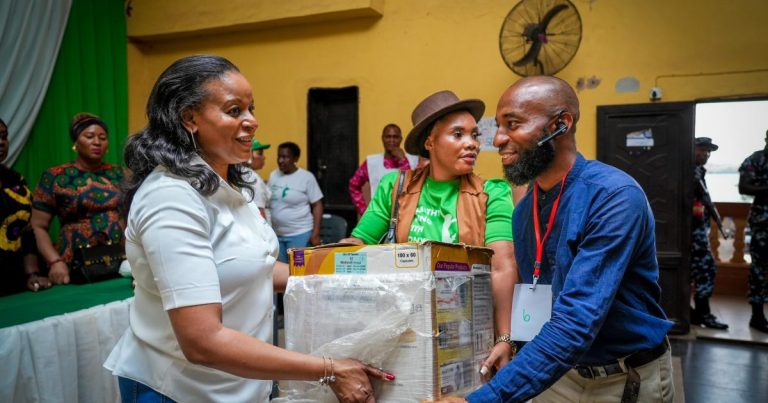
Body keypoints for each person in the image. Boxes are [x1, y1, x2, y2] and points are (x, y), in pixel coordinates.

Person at [104, 55, 391, 402]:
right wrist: (328, 368)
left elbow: (258, 268)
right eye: (234, 110)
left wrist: (348, 266)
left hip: (235, 385)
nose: (252, 121)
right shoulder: (172, 197)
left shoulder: (232, 185)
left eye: (251, 108)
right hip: (177, 388)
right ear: (189, 118)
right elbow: (202, 341)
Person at [440, 76, 674, 402]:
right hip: (558, 374)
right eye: (497, 126)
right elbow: (534, 294)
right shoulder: (524, 213)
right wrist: (509, 341)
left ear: (560, 124)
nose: (498, 139)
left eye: (513, 124)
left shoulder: (614, 197)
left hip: (622, 378)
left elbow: (576, 322)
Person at [342, 90, 519, 373]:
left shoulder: (491, 193)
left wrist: (504, 337)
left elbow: (501, 266)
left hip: (467, 333)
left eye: (474, 135)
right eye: (458, 134)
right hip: (404, 331)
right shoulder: (395, 187)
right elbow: (360, 240)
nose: (471, 144)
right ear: (430, 142)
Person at [30, 113, 125, 285]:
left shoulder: (120, 174)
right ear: (76, 143)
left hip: (119, 260)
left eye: (102, 138)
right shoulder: (55, 176)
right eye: (89, 136)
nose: (97, 142)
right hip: (74, 265)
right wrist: (55, 262)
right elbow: (38, 226)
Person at [0, 117, 51, 295]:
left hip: (14, 277)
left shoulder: (15, 180)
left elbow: (27, 231)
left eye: (3, 136)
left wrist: (32, 274)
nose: (1, 142)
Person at [690, 137, 728, 329]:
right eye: (702, 150)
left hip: (695, 230)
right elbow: (703, 196)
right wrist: (717, 218)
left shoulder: (698, 170)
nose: (706, 154)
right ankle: (702, 314)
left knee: (694, 271)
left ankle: (694, 313)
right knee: (706, 269)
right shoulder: (689, 169)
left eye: (708, 152)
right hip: (690, 233)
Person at [268, 141, 323, 263]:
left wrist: (315, 233)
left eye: (285, 157)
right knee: (281, 271)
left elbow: (317, 205)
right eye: (279, 156)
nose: (281, 160)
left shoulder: (306, 177)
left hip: (300, 233)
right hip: (277, 235)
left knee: (298, 270)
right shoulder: (273, 175)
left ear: (295, 158)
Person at [348, 124, 419, 217]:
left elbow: (414, 186)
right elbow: (353, 184)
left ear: (401, 139)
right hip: (379, 217)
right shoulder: (372, 162)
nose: (391, 140)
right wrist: (365, 211)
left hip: (404, 216)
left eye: (395, 137)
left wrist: (403, 161)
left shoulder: (413, 161)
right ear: (382, 138)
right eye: (388, 137)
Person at [738, 129, 768, 333]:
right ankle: (757, 315)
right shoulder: (756, 159)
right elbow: (744, 187)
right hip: (763, 224)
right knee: (759, 270)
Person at [249, 138, 272, 222]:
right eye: (260, 153)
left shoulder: (244, 173)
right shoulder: (253, 179)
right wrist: (266, 234)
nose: (264, 157)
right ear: (249, 155)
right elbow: (260, 212)